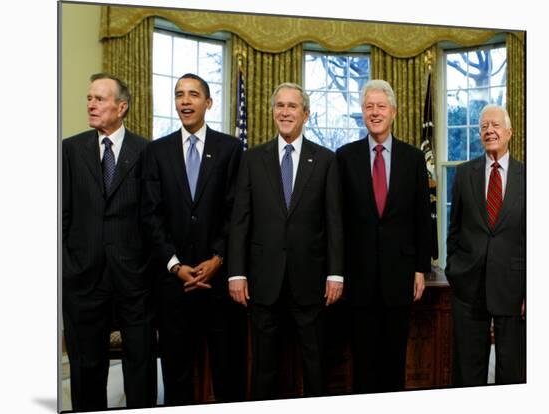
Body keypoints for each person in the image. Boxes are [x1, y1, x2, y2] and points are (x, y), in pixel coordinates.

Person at [228, 82, 344, 400]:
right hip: (264, 282)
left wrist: (336, 273)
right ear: (273, 112)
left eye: (292, 106)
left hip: (310, 281)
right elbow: (240, 220)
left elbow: (334, 220)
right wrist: (236, 273)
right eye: (280, 106)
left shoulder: (325, 160)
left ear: (305, 114)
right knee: (265, 368)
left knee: (315, 364)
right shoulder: (252, 159)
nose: (285, 112)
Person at [141, 73, 246, 405]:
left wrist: (217, 258)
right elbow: (150, 214)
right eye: (179, 95)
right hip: (175, 286)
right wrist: (175, 266)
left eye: (193, 94)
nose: (185, 101)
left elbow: (236, 212)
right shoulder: (156, 151)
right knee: (177, 377)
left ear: (208, 103)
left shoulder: (230, 149)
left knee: (227, 374)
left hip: (218, 286)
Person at [62, 73, 156, 411]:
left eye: (99, 99)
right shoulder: (70, 150)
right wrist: (69, 266)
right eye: (89, 98)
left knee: (140, 364)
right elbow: (61, 216)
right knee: (87, 367)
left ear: (122, 107)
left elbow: (152, 217)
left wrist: (145, 267)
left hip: (134, 279)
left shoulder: (147, 151)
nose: (91, 104)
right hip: (83, 279)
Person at [336, 79, 432, 393]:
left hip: (400, 279)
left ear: (393, 111)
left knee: (394, 363)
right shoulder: (345, 157)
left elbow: (422, 217)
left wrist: (421, 267)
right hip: (358, 279)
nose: (374, 112)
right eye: (368, 107)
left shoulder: (413, 158)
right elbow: (338, 221)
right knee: (363, 365)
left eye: (381, 106)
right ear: (362, 113)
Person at [445, 104, 525, 386]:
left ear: (509, 133)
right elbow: (453, 230)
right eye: (483, 126)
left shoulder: (529, 177)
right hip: (469, 286)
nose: (489, 131)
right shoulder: (465, 173)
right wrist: (453, 269)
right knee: (468, 371)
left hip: (514, 288)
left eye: (495, 125)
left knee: (513, 372)